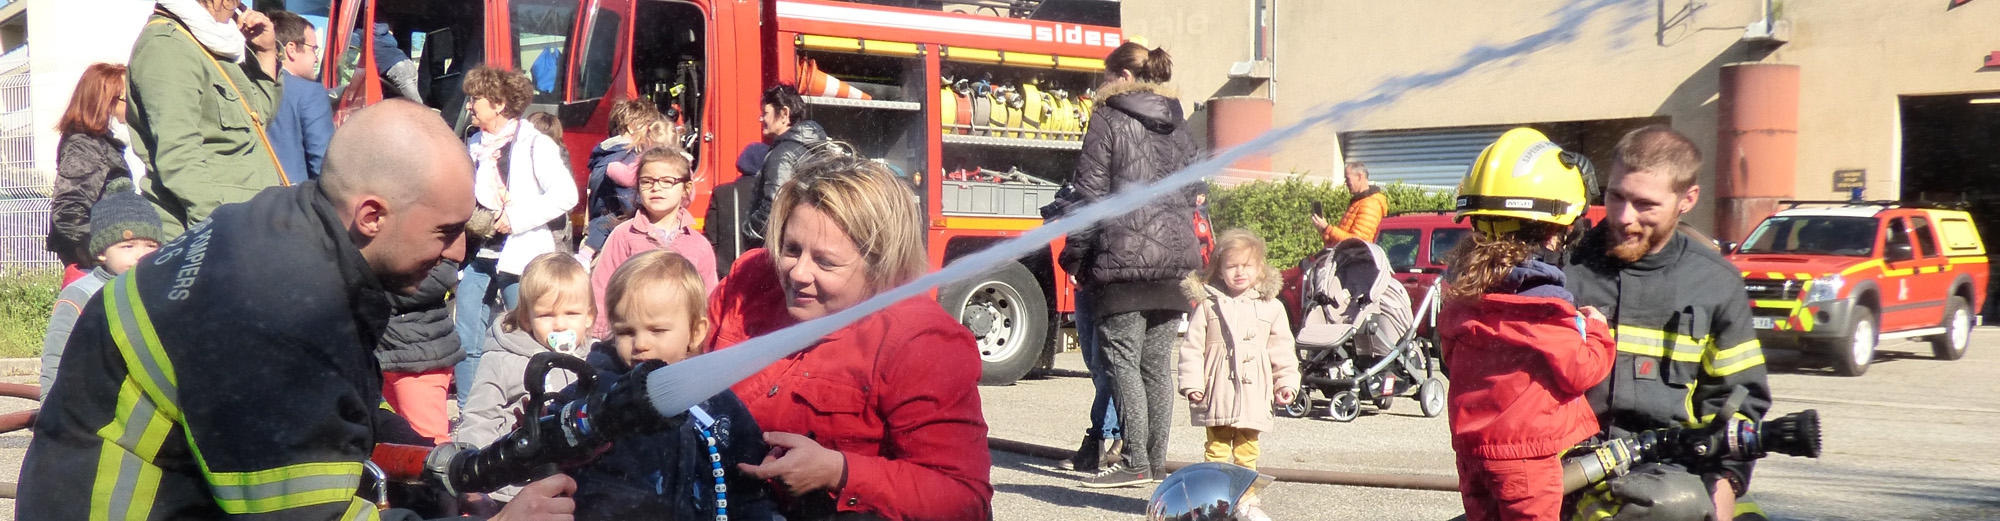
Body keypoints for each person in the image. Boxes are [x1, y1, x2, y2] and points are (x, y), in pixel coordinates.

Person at [18, 100, 577, 520]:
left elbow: (337, 404)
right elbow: (309, 514)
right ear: (372, 216)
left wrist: (437, 461)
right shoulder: (271, 313)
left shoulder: (288, 226)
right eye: (446, 231)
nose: (457, 252)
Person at [706, 153, 992, 520]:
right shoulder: (751, 281)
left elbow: (963, 498)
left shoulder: (921, 342)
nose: (797, 273)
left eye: (825, 262)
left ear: (880, 263)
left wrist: (839, 472)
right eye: (791, 249)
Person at [1564, 125, 1772, 521]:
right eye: (1615, 196)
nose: (1624, 217)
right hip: (1572, 471)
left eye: (1645, 205)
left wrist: (1725, 482)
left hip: (1675, 474)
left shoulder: (1715, 284)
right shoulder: (1563, 269)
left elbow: (1738, 400)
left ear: (1687, 200)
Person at [1437, 128, 1616, 521]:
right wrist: (1599, 332)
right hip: (1526, 461)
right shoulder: (1544, 309)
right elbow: (1580, 372)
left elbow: (1449, 358)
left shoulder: (1463, 298)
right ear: (1553, 233)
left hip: (1471, 453)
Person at [1069, 41, 1205, 488]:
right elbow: (1192, 196)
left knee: (1122, 362)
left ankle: (1133, 462)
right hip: (1174, 265)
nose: (1100, 86)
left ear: (1124, 77)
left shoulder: (1107, 119)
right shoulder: (1179, 126)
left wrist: (1076, 256)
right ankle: (1155, 463)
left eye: (1106, 76)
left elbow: (1089, 199)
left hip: (1122, 261)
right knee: (1155, 367)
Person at [564, 249, 778, 521]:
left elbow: (750, 487)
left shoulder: (717, 403)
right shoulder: (597, 392)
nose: (640, 344)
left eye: (657, 330)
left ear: (696, 332)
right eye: (626, 332)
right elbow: (557, 435)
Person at [455, 66, 580, 407]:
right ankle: (470, 413)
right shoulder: (474, 143)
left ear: (498, 103)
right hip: (479, 256)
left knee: (528, 335)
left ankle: (542, 405)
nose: (469, 106)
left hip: (520, 255)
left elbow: (566, 195)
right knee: (467, 337)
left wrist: (516, 218)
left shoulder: (535, 143)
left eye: (474, 99)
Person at [128, 0, 290, 237]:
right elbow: (179, 155)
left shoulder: (205, 46)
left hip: (246, 227)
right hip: (213, 235)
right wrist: (219, 230)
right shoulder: (167, 46)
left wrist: (265, 52)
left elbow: (255, 122)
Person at [456, 252, 592, 504]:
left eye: (572, 313)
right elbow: (480, 416)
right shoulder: (503, 358)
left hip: (578, 485)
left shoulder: (594, 360)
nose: (560, 325)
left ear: (589, 315)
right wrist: (475, 477)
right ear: (526, 318)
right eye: (546, 315)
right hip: (515, 491)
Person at [1177, 229, 1300, 471]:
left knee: (1247, 451)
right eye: (1232, 266)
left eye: (1247, 265)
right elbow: (1191, 348)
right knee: (1216, 449)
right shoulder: (1207, 306)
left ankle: (1245, 498)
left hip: (1254, 394)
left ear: (1260, 269)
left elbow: (1282, 350)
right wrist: (1192, 383)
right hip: (1217, 392)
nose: (1240, 272)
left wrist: (1286, 382)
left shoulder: (1271, 307)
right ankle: (1215, 499)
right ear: (1220, 270)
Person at [40, 178, 164, 401]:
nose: (141, 255)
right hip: (95, 406)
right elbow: (57, 358)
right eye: (128, 246)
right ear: (101, 252)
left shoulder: (161, 291)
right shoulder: (82, 295)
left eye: (151, 246)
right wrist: (51, 419)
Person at [589, 146, 718, 339]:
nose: (656, 188)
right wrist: (598, 338)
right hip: (632, 339)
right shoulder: (624, 236)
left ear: (686, 188)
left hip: (680, 345)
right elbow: (601, 291)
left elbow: (709, 301)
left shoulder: (699, 245)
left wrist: (704, 342)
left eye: (667, 181)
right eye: (647, 181)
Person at [1043, 183, 1121, 474]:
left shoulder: (1124, 170)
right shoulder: (1091, 172)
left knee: (1106, 365)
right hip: (1085, 275)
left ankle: (1101, 440)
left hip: (1110, 276)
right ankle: (1115, 435)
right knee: (1095, 364)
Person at [47, 63, 133, 273]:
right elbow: (68, 214)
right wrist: (106, 253)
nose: (134, 107)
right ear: (104, 102)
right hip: (94, 270)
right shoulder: (84, 146)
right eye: (128, 100)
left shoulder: (104, 144)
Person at [377, 259, 466, 444]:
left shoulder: (432, 238)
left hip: (418, 356)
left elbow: (441, 274)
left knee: (429, 445)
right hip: (380, 352)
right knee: (387, 444)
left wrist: (372, 289)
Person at [739, 85, 828, 249]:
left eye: (765, 113)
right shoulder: (813, 148)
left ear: (784, 114)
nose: (761, 119)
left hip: (777, 246)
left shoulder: (782, 153)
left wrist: (749, 231)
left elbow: (775, 203)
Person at [263, 9, 333, 183]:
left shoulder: (245, 85)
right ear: (292, 49)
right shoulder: (310, 93)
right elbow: (324, 166)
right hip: (292, 201)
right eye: (314, 50)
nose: (316, 59)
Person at [1312, 161, 1387, 247]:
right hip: (1346, 257)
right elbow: (1337, 242)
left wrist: (1327, 228)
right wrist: (1323, 231)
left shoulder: (1370, 204)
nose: (1346, 183)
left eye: (1348, 179)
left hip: (1354, 259)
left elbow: (1357, 241)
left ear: (1359, 177)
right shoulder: (1358, 202)